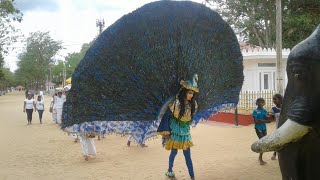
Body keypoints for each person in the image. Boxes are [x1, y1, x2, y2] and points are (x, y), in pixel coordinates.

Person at [157, 76, 199, 180]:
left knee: (187, 155)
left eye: (192, 93)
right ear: (184, 92)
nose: (191, 95)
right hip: (175, 130)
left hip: (184, 131)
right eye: (189, 93)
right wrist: (167, 132)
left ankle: (192, 176)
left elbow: (189, 118)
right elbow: (167, 116)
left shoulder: (193, 104)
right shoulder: (176, 103)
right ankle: (169, 170)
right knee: (174, 152)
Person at [252, 98, 273, 165]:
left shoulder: (264, 110)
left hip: (264, 128)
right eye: (259, 102)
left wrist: (269, 116)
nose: (261, 103)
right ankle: (260, 158)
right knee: (262, 142)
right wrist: (266, 121)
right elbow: (256, 121)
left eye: (262, 102)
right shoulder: (255, 111)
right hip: (258, 128)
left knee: (264, 142)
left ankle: (260, 158)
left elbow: (268, 119)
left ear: (264, 103)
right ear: (256, 103)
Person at [270, 94, 283, 160]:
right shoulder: (273, 109)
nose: (274, 101)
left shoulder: (285, 108)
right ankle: (274, 154)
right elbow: (271, 119)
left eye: (275, 99)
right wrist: (268, 116)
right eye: (273, 99)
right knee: (277, 141)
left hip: (286, 127)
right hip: (278, 128)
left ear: (280, 99)